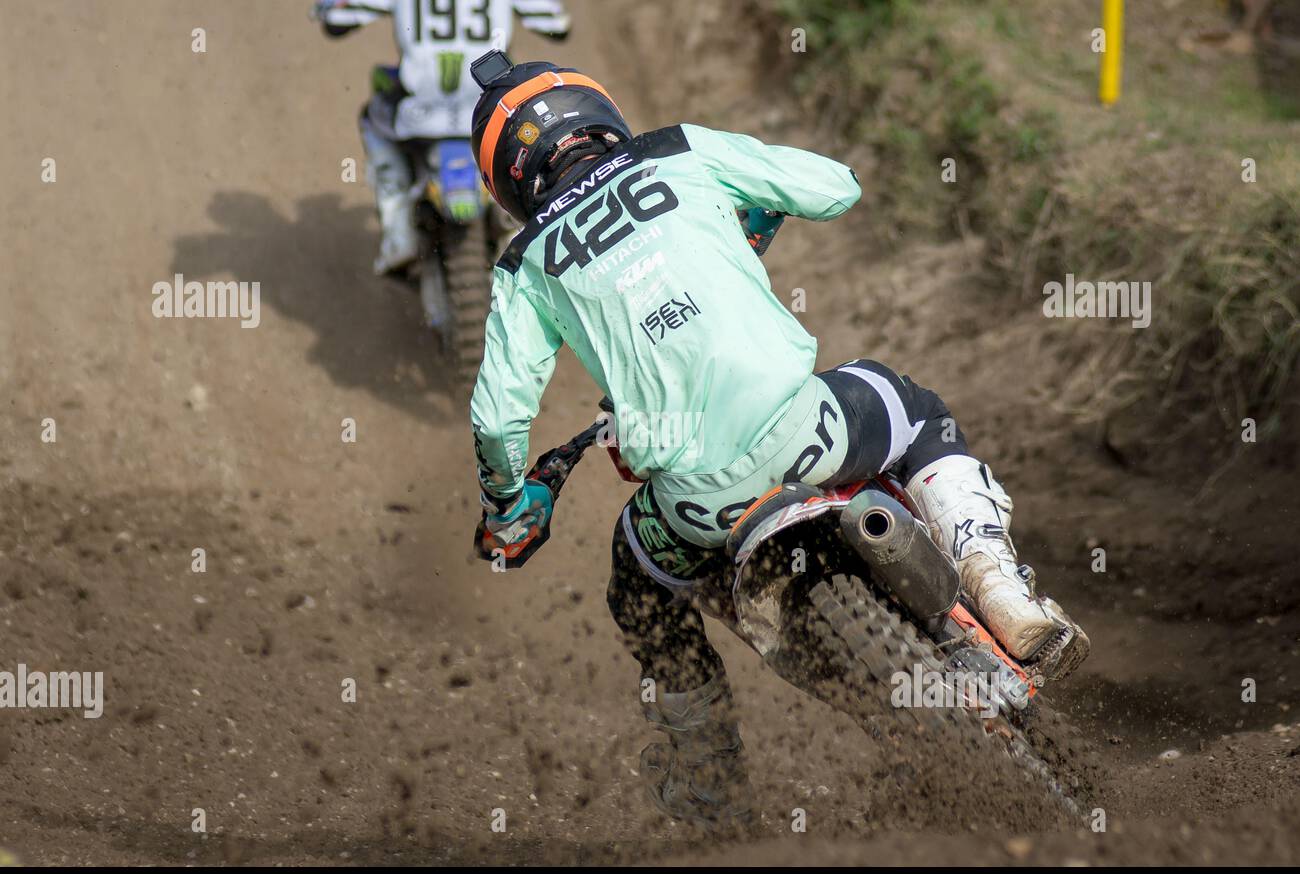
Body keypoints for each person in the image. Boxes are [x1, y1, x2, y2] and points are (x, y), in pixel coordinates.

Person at [466, 57, 1092, 828]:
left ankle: (709, 785)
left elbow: (498, 421)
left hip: (698, 505)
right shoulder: (676, 152)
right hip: (816, 434)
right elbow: (836, 185)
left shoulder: (524, 263)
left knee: (637, 584)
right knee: (913, 408)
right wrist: (757, 205)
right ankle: (1001, 589)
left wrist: (506, 504)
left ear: (508, 178)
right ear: (597, 114)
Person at [312, 0, 571, 275]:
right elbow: (558, 25)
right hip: (488, 106)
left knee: (373, 117)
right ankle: (527, 219)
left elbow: (336, 21)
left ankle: (398, 228)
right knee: (528, 130)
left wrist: (329, 8)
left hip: (418, 111)